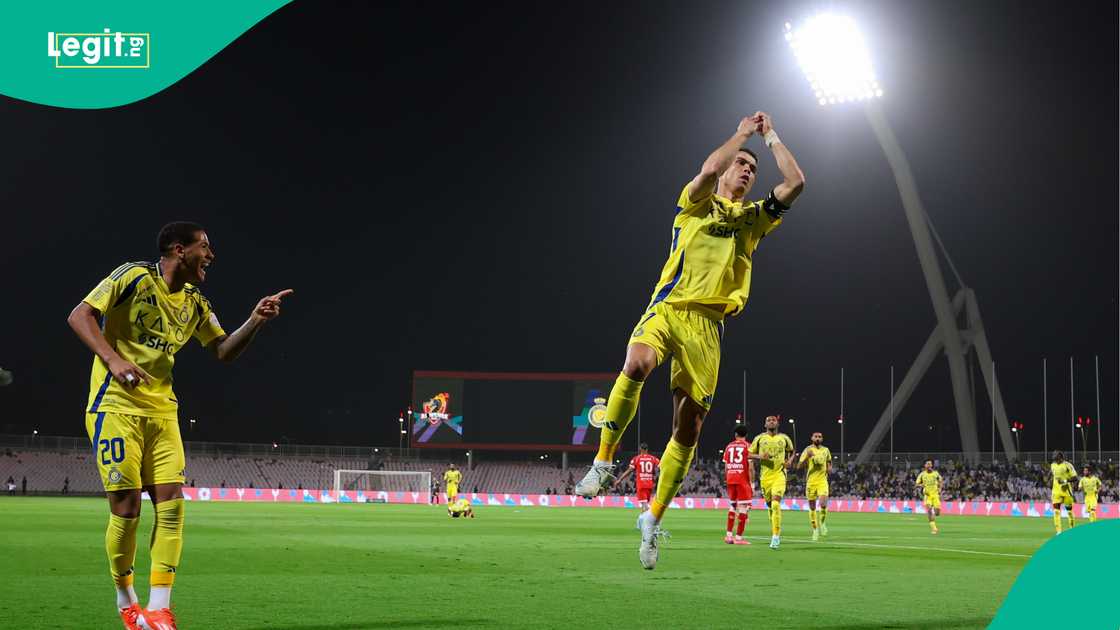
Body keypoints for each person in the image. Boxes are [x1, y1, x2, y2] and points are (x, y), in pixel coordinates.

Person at [572, 111, 805, 570]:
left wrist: (771, 135)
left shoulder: (753, 220)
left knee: (689, 428)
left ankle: (652, 520)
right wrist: (742, 133)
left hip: (708, 329)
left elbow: (796, 181)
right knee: (637, 362)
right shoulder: (694, 205)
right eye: (742, 163)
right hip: (669, 308)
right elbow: (707, 171)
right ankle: (603, 462)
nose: (747, 170)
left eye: (753, 169)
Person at [67, 221, 293, 630]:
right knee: (128, 509)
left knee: (172, 506)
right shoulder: (133, 276)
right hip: (114, 407)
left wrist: (256, 320)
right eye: (204, 246)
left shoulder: (195, 303)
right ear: (178, 249)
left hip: (163, 411)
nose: (211, 254)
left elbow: (223, 350)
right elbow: (79, 315)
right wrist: (113, 361)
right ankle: (127, 602)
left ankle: (160, 610)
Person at [749, 415, 797, 549]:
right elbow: (748, 454)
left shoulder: (784, 438)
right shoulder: (759, 438)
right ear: (765, 424)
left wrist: (789, 461)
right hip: (765, 478)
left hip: (779, 475)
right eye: (769, 420)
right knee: (770, 507)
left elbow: (792, 451)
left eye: (773, 420)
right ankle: (774, 530)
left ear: (777, 423)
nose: (771, 422)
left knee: (776, 504)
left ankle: (776, 536)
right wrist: (760, 456)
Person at [722, 425, 761, 545]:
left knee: (732, 506)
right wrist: (752, 484)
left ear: (735, 434)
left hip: (730, 478)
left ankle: (728, 536)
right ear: (746, 435)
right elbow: (750, 468)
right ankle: (738, 538)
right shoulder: (748, 446)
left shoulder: (729, 446)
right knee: (743, 507)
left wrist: (726, 478)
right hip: (742, 479)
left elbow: (726, 465)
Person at [797, 432, 832, 541]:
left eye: (819, 437)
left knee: (823, 503)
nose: (817, 438)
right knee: (812, 507)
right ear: (812, 438)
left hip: (822, 481)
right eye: (815, 436)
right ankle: (815, 529)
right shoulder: (808, 450)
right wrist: (808, 456)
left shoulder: (826, 450)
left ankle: (822, 523)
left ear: (822, 439)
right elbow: (799, 466)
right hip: (811, 482)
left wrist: (829, 467)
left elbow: (829, 461)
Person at [612, 443, 660, 512]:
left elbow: (629, 471)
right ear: (647, 449)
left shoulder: (637, 459)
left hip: (641, 484)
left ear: (640, 449)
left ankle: (651, 518)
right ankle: (643, 520)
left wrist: (620, 479)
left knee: (645, 506)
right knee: (645, 504)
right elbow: (661, 466)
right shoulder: (653, 458)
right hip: (650, 484)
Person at [1048, 451, 1077, 533]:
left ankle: (1072, 528)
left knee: (1069, 511)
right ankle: (1059, 532)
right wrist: (1049, 480)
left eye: (1056, 457)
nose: (1055, 459)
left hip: (1066, 491)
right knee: (1056, 511)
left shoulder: (1068, 465)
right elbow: (1052, 474)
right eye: (1054, 457)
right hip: (1056, 491)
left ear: (1060, 457)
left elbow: (1075, 478)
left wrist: (1065, 481)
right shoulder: (1052, 465)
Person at [915, 460, 942, 535]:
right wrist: (921, 485)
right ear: (925, 465)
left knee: (937, 513)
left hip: (935, 495)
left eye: (930, 464)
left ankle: (935, 511)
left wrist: (940, 488)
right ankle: (934, 529)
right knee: (929, 510)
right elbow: (916, 484)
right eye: (927, 464)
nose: (929, 465)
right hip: (927, 496)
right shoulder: (922, 474)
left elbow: (940, 480)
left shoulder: (935, 473)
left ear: (932, 465)